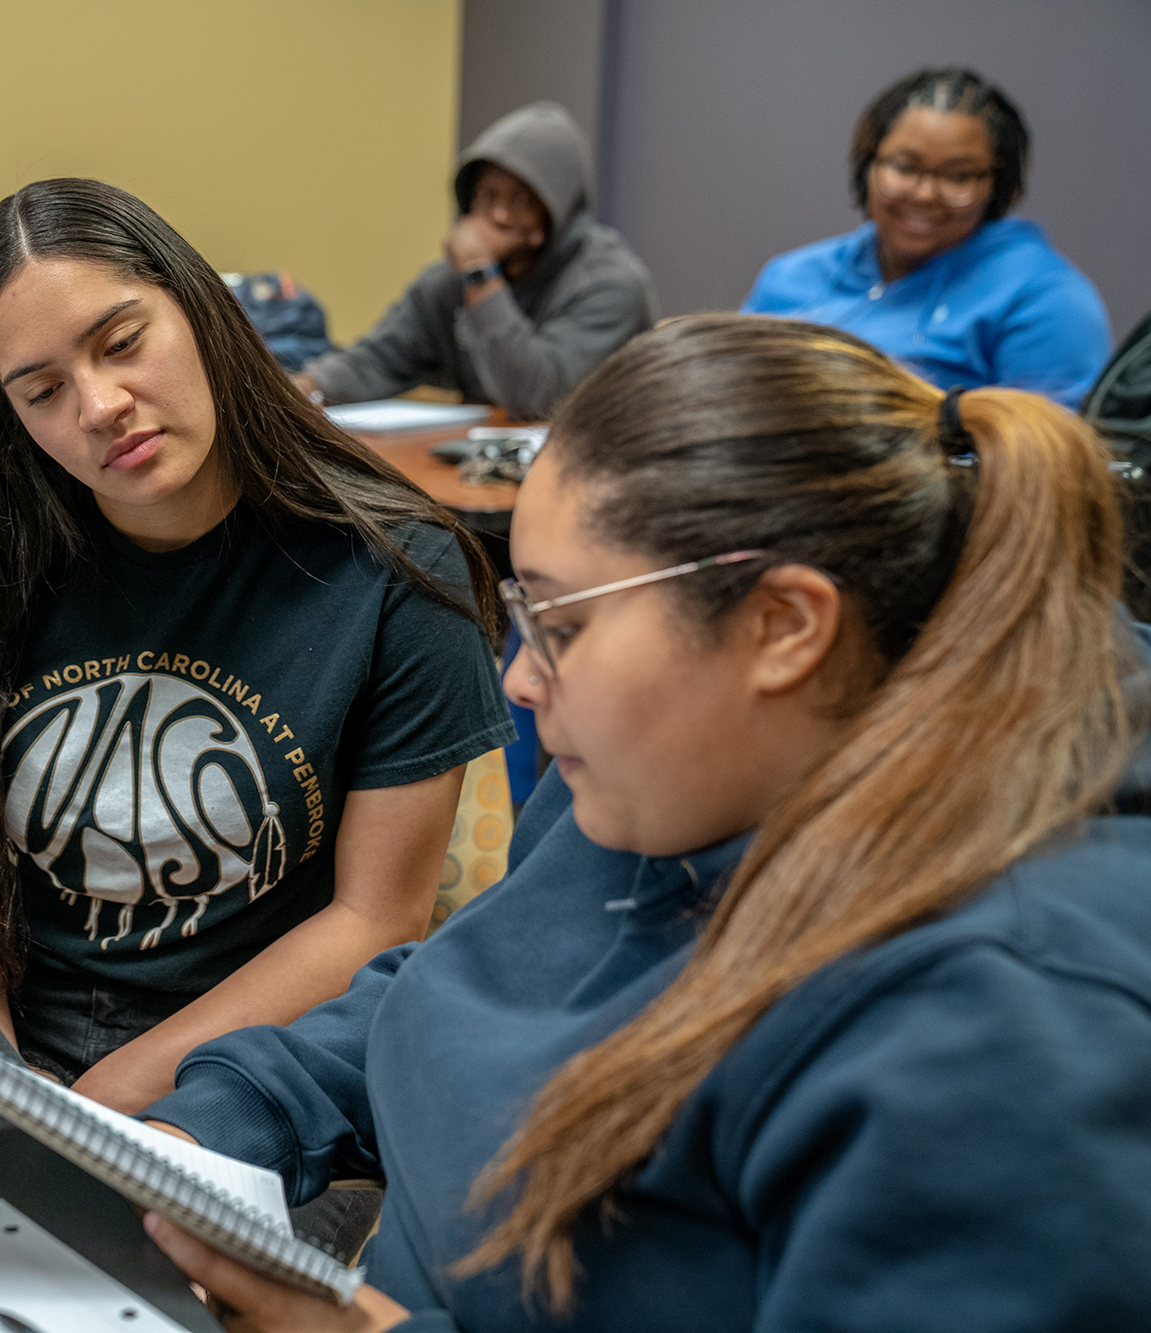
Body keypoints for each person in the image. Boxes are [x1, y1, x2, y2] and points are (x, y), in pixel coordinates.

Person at [137, 313, 1151, 1331]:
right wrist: (209, 1129)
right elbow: (467, 974)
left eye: (562, 626)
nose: (521, 683)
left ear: (782, 626)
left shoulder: (1004, 1027)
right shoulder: (669, 771)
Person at [0, 178, 515, 1116]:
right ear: (10, 417)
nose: (101, 405)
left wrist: (105, 1103)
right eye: (43, 390)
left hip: (264, 1062)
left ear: (201, 312)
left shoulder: (397, 572)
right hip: (11, 1047)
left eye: (123, 343)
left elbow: (373, 920)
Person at [743, 68, 1110, 408]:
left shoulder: (1043, 299)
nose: (923, 195)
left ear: (998, 187)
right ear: (867, 164)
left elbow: (1050, 460)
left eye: (958, 176)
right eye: (904, 167)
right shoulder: (791, 276)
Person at [292, 102, 655, 420]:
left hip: (592, 472)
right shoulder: (449, 282)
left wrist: (481, 275)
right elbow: (381, 357)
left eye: (522, 201)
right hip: (479, 468)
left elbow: (538, 399)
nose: (498, 215)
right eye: (487, 196)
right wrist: (309, 387)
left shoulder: (609, 285)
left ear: (556, 212)